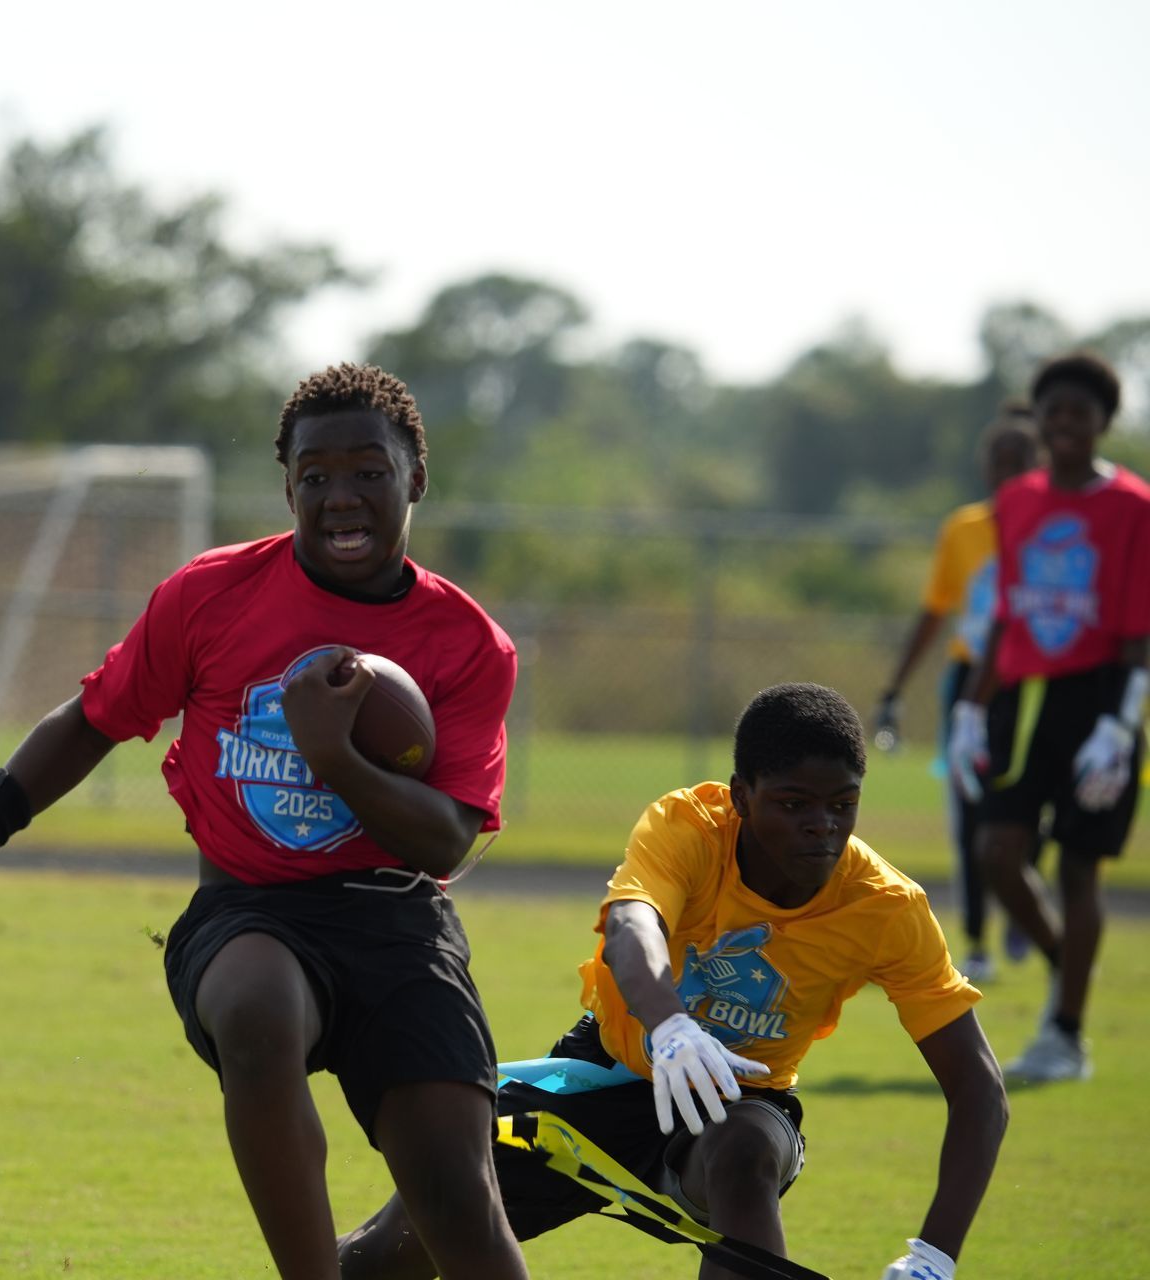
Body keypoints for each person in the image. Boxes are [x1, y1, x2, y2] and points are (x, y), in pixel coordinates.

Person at [0, 363, 530, 1280]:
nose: (341, 496)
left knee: (456, 1200)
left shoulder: (467, 642)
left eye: (368, 471)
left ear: (416, 479)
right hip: (250, 910)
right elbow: (92, 720)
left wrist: (334, 756)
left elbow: (443, 840)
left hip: (398, 921)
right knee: (258, 1010)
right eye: (315, 476)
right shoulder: (213, 593)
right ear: (287, 487)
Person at [340, 684, 1007, 1280]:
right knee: (378, 1258)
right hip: (604, 1073)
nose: (822, 826)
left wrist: (933, 1259)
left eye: (843, 804)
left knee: (744, 1155)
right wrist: (672, 1029)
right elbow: (632, 928)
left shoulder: (887, 907)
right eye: (794, 803)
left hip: (742, 1101)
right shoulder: (689, 826)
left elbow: (979, 1089)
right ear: (741, 796)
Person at [949, 352, 1150, 1084]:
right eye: (1054, 411)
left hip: (1098, 701)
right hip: (1021, 699)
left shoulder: (1132, 505)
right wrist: (971, 710)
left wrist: (1120, 725)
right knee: (997, 852)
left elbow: (1137, 632)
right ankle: (1072, 968)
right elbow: (1006, 615)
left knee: (1078, 866)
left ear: (1104, 421)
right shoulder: (1018, 500)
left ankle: (1065, 1033)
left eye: (1080, 412)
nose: (1066, 424)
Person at [874, 407, 1041, 982]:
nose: (1007, 473)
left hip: (1031, 679)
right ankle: (975, 940)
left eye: (1019, 462)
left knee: (1024, 807)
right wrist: (895, 685)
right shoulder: (965, 529)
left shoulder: (1050, 526)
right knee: (970, 817)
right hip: (972, 683)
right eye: (999, 462)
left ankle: (1023, 896)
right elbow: (936, 610)